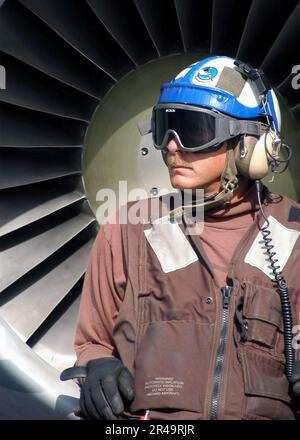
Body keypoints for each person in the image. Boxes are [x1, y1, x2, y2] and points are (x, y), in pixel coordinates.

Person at [73, 56, 300, 420]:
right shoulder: (128, 229)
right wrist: (98, 365)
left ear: (251, 148)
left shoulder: (294, 237)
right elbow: (94, 342)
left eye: (193, 130)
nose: (172, 147)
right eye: (165, 127)